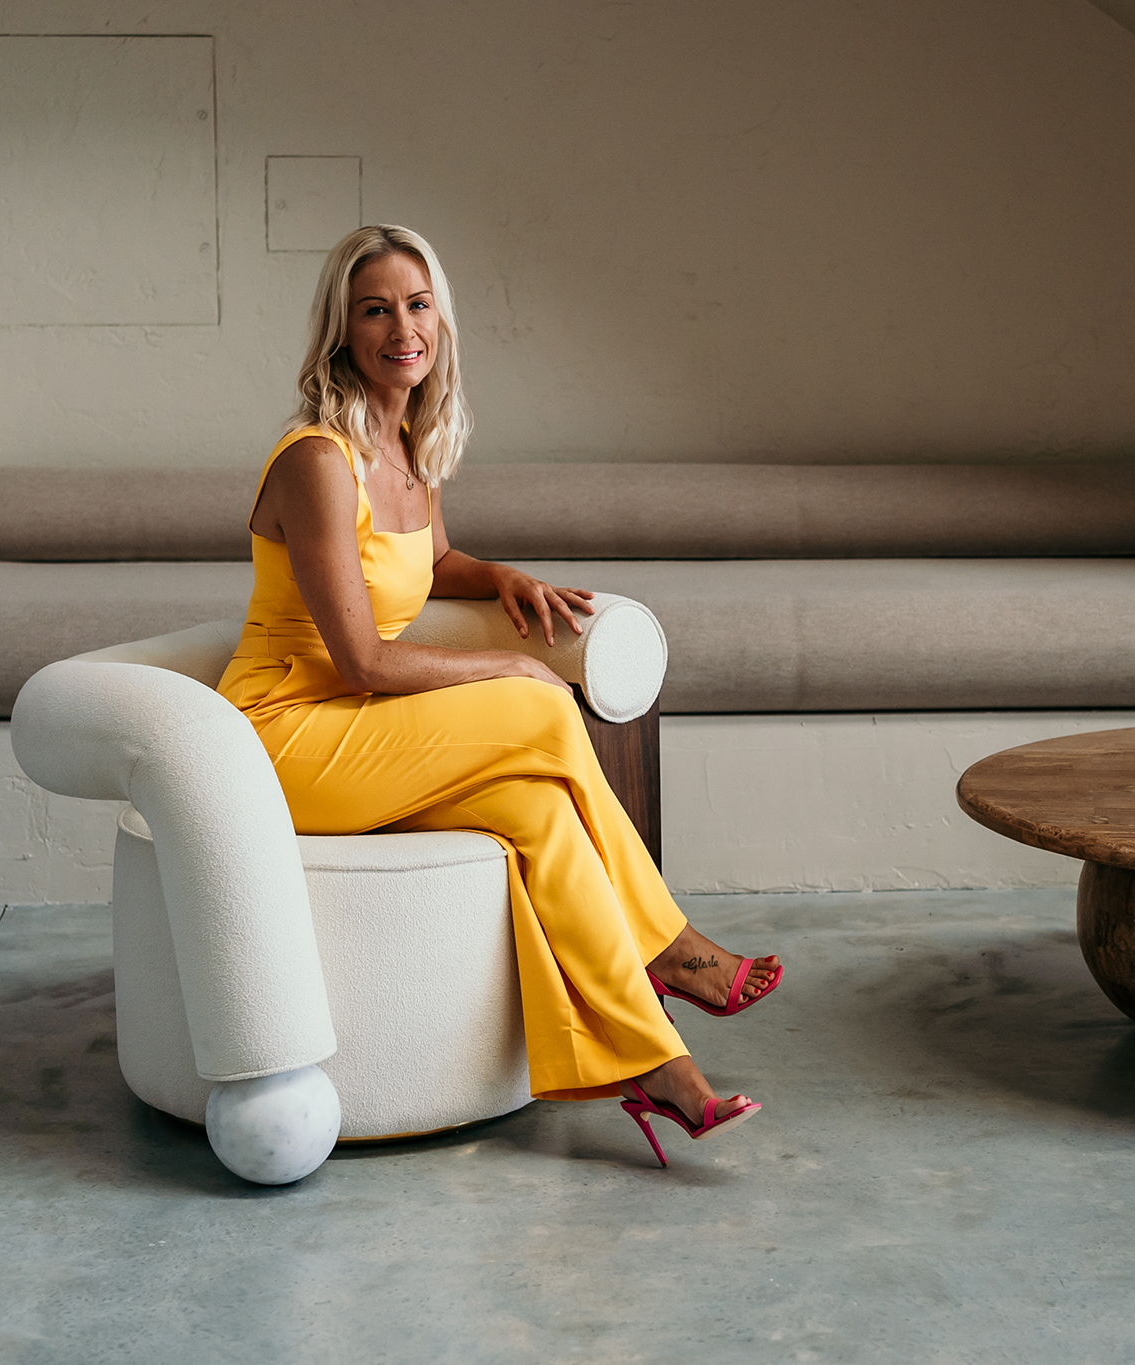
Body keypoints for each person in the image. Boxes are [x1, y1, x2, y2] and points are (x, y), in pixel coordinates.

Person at [217, 225, 782, 1165]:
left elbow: (431, 564)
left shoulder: (405, 441)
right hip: (282, 737)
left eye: (418, 303)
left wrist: (500, 577)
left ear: (440, 316)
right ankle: (669, 943)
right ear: (341, 333)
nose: (403, 327)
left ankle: (658, 1072)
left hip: (352, 730)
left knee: (540, 815)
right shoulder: (320, 459)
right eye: (375, 309)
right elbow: (360, 658)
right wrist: (507, 667)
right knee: (538, 702)